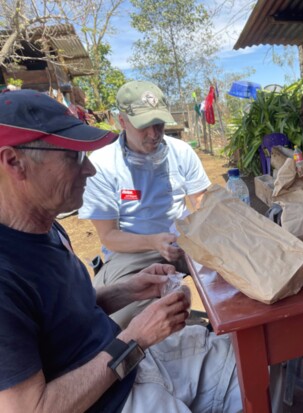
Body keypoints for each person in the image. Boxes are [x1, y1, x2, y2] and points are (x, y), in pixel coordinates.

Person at [0, 90, 241, 413]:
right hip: (110, 396)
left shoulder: (47, 227)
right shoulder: (5, 276)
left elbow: (62, 319)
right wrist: (135, 338)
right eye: (74, 157)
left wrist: (127, 290)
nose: (90, 171)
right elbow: (31, 408)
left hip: (132, 364)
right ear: (15, 161)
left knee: (252, 362)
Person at [79, 80, 211, 328]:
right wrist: (153, 242)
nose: (154, 134)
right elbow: (109, 236)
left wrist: (207, 234)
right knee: (114, 323)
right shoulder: (102, 164)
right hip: (133, 251)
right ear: (122, 121)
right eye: (144, 126)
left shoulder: (180, 151)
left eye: (158, 124)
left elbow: (202, 201)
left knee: (231, 277)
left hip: (185, 240)